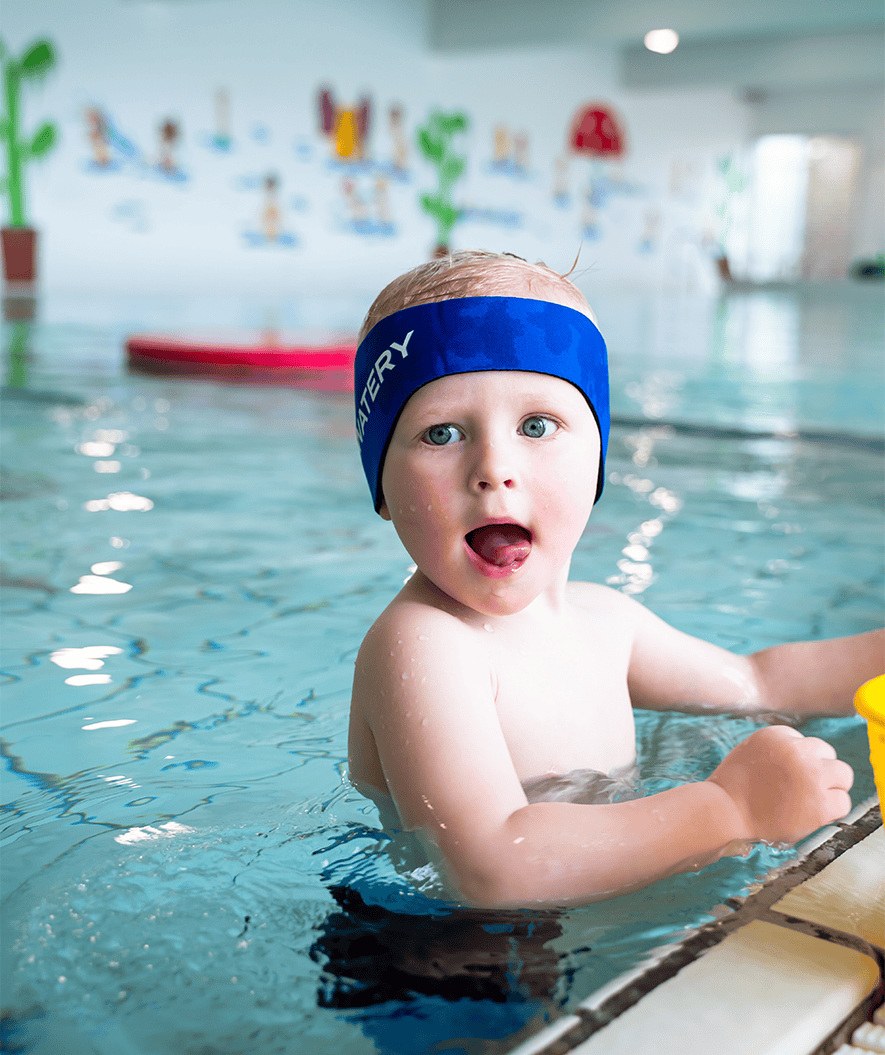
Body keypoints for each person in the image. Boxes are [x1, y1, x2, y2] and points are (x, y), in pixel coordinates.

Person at [348, 249, 883, 909]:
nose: (493, 467)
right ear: (380, 485)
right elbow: (488, 868)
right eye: (442, 433)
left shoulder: (606, 621)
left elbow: (760, 683)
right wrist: (728, 808)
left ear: (597, 458)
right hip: (449, 962)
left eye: (536, 425)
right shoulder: (423, 645)